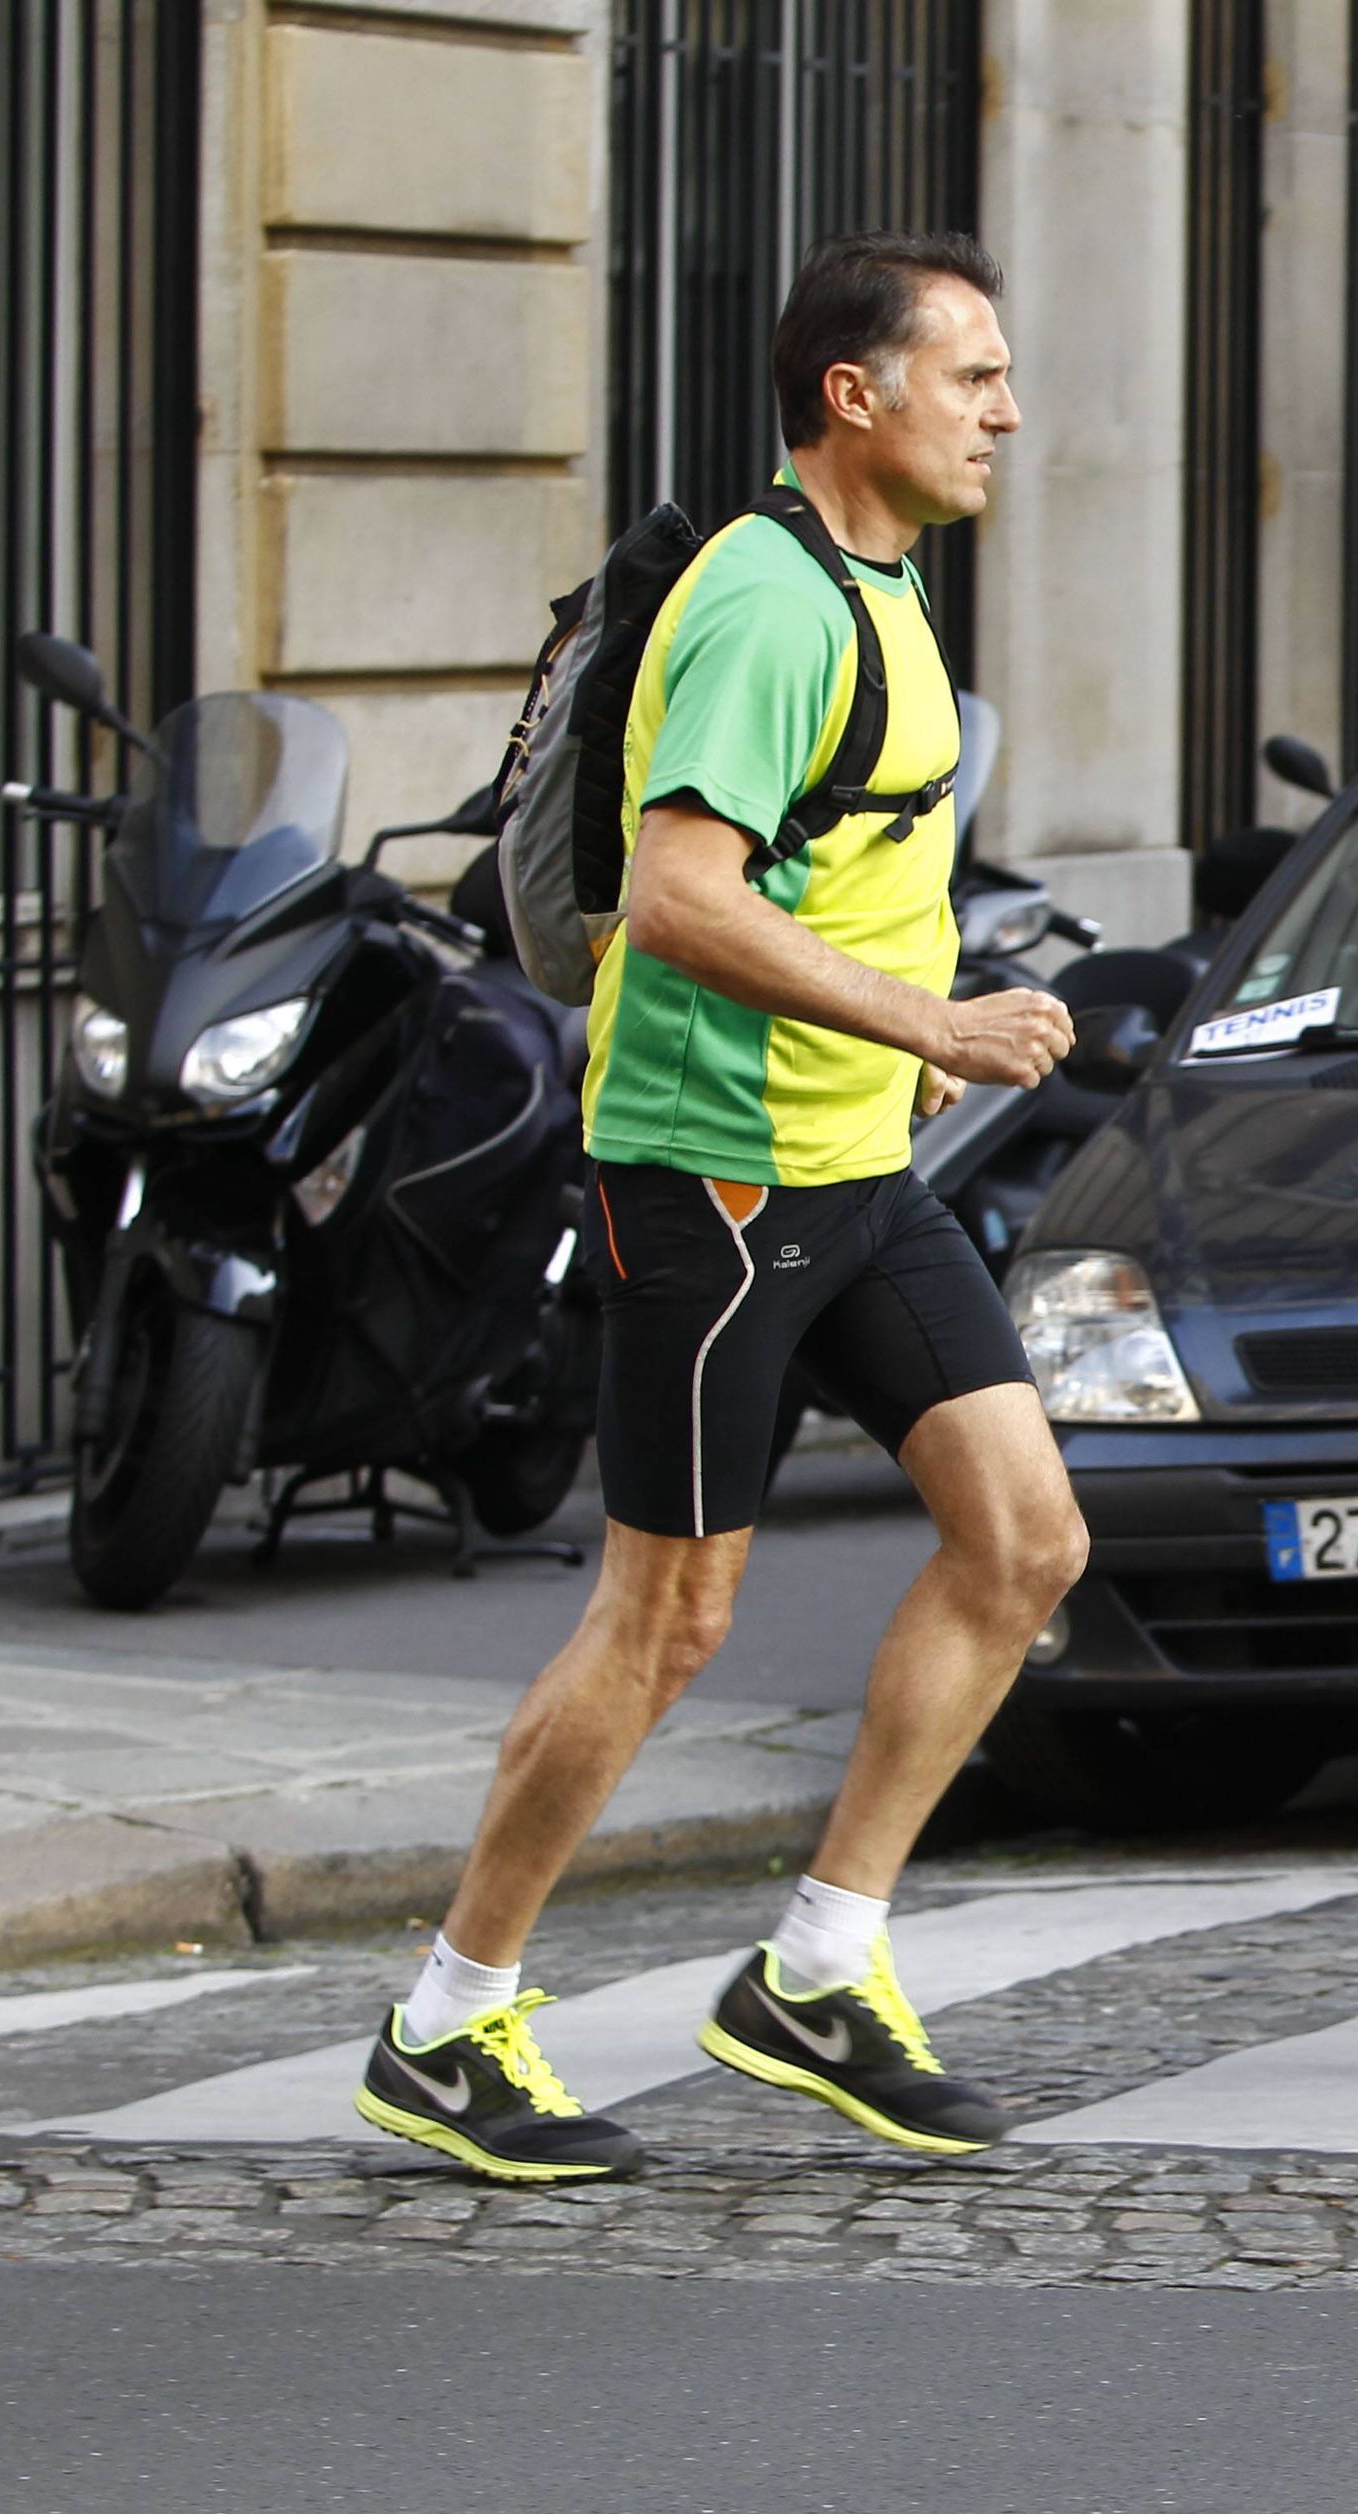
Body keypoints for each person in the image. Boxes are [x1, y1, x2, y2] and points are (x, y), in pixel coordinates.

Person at [353, 233, 1083, 2183]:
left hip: (855, 1161)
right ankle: (447, 2017)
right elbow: (678, 894)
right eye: (973, 374)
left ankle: (816, 1968)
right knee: (668, 1612)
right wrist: (930, 1009)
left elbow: (838, 867)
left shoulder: (890, 584)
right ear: (856, 396)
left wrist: (906, 1033)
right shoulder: (767, 603)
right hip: (718, 1169)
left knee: (1020, 1541)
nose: (1006, 411)